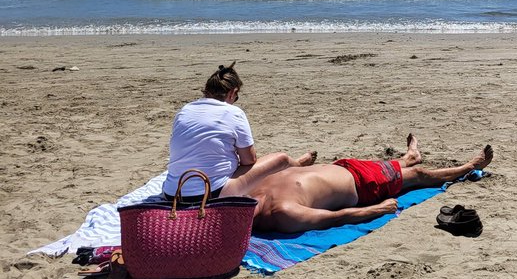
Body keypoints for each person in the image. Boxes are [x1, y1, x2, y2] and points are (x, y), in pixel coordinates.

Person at [237, 136, 492, 232]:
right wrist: (377, 209)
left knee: (394, 166)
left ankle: (409, 157)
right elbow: (335, 218)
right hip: (362, 185)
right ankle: (469, 167)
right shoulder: (282, 214)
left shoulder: (245, 193)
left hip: (342, 167)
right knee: (419, 175)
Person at [162, 63, 315, 203]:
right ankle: (298, 165)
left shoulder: (184, 110)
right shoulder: (233, 112)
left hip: (172, 193)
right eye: (236, 97)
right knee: (281, 159)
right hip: (212, 193)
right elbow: (249, 160)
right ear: (232, 93)